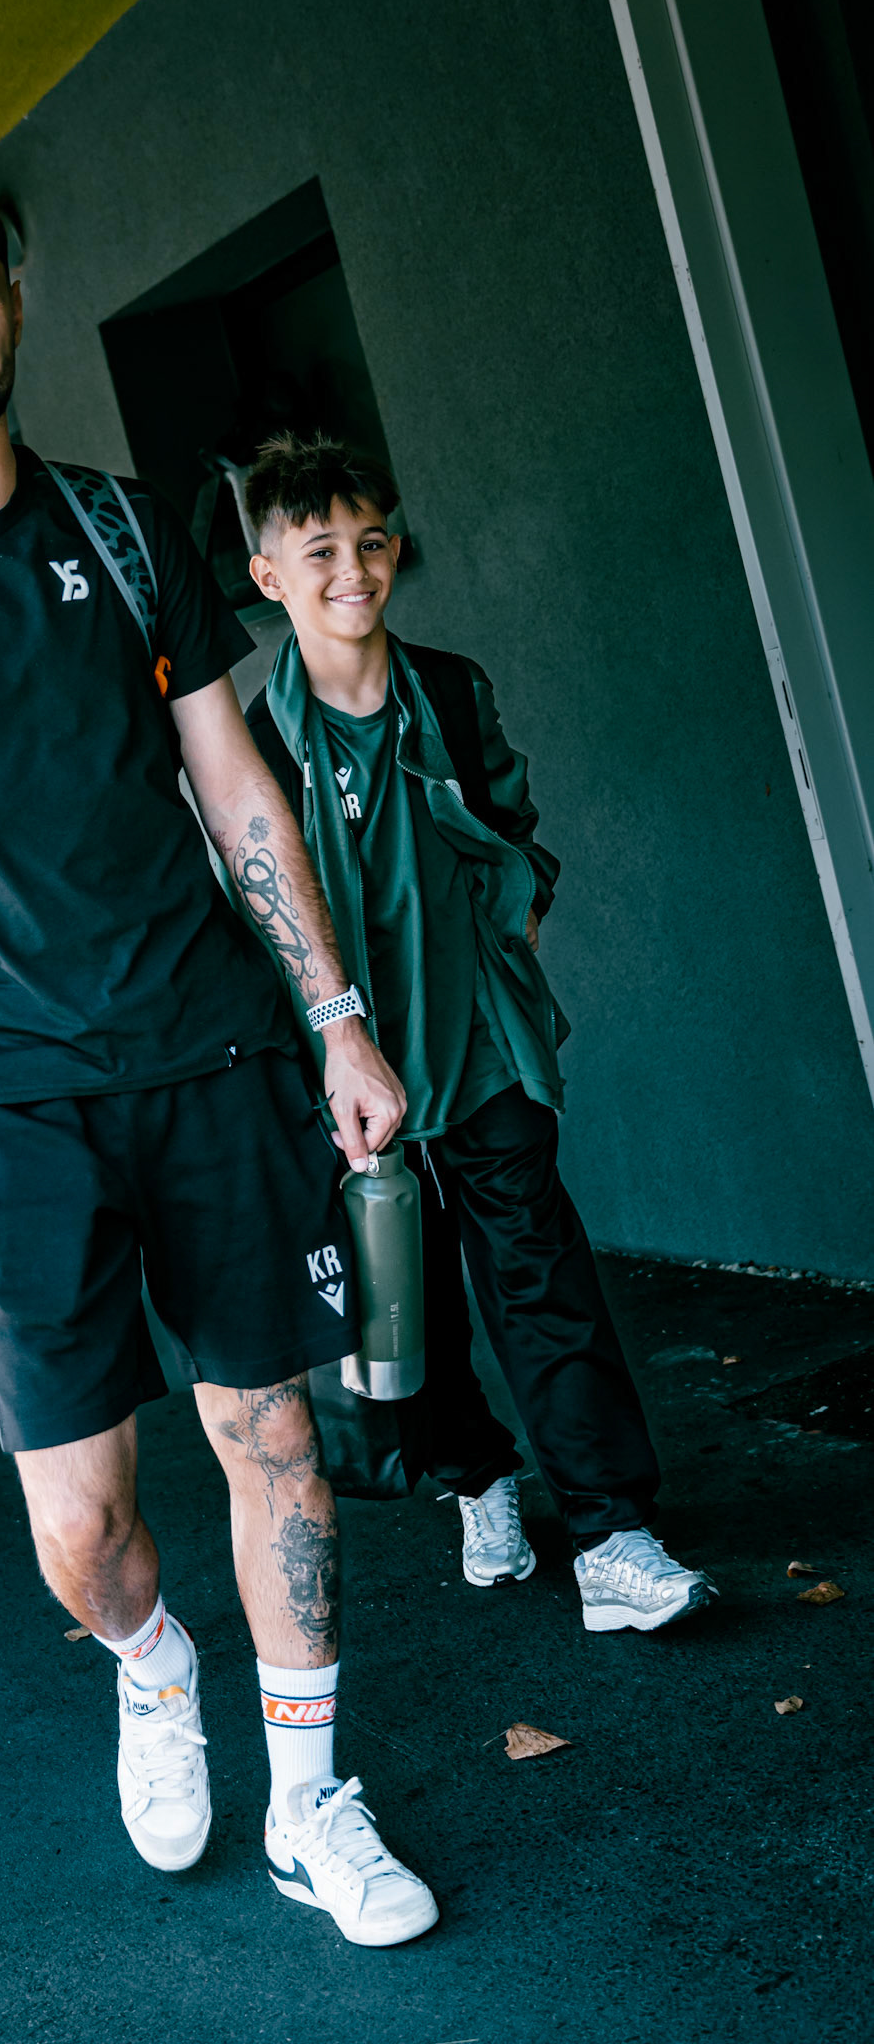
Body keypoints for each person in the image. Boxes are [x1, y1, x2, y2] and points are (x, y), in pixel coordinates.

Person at [0, 179, 439, 1945]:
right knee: (82, 1525)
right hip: (4, 1105)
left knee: (275, 1437)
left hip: (208, 1048)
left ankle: (310, 1803)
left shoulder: (124, 533)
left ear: (12, 310)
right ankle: (150, 1660)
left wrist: (337, 1018)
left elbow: (236, 786)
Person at [240, 432, 717, 1634]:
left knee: (542, 1275)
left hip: (481, 1043)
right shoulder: (255, 741)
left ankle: (611, 1535)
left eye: (371, 542)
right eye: (320, 550)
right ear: (268, 575)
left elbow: (511, 822)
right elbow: (253, 909)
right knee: (410, 1299)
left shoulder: (449, 690)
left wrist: (519, 921)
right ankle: (477, 1476)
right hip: (352, 1070)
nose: (354, 569)